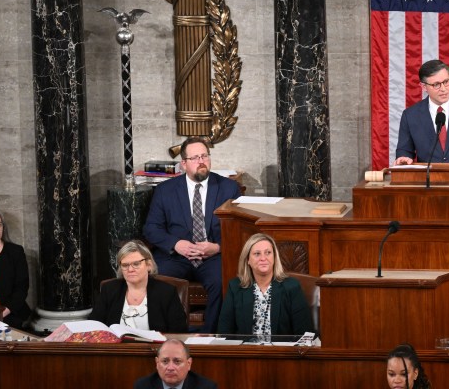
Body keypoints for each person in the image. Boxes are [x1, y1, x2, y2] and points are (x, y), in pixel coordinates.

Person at [144, 137, 240, 333]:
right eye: (195, 157)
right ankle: (169, 335)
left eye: (204, 155)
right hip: (176, 256)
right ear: (184, 164)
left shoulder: (228, 188)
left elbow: (239, 228)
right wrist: (176, 244)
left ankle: (211, 338)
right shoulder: (165, 191)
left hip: (212, 255)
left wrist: (218, 247)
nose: (201, 161)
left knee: (224, 280)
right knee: (156, 279)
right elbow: (151, 228)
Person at [217, 233, 314, 336]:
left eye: (268, 253)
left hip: (281, 351)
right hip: (247, 351)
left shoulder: (292, 287)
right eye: (257, 254)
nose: (263, 258)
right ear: (248, 260)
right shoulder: (235, 287)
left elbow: (305, 334)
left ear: (274, 258)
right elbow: (224, 333)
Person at [90, 240, 188, 333]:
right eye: (125, 265)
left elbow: (179, 333)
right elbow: (94, 326)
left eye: (136, 264)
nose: (130, 269)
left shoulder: (167, 292)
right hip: (117, 349)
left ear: (149, 265)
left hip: (155, 349)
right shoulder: (109, 289)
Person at [134, 338, 217, 389]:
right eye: (165, 361)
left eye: (177, 361)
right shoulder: (143, 386)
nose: (170, 368)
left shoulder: (206, 387)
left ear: (189, 364)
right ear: (157, 363)